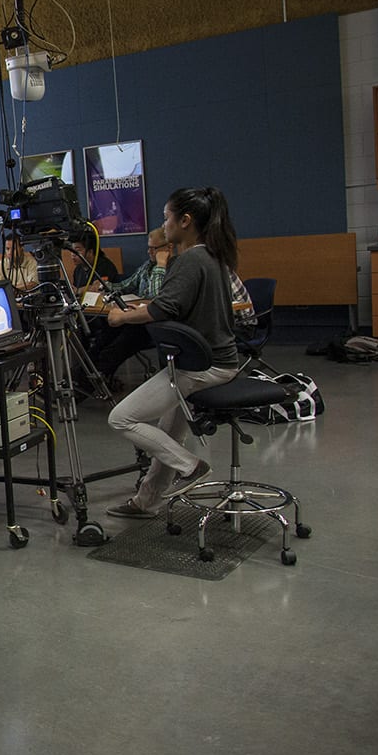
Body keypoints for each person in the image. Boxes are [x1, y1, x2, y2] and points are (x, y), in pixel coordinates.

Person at [105, 187, 241, 519]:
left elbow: (163, 309)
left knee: (121, 418)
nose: (164, 224)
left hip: (200, 367)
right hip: (217, 362)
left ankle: (191, 466)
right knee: (166, 436)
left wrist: (121, 317)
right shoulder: (212, 255)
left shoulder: (191, 259)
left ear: (185, 220)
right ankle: (145, 502)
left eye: (167, 217)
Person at [87, 228, 171, 381]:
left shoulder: (172, 267)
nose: (149, 252)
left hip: (151, 324)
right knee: (102, 340)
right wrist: (105, 286)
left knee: (114, 349)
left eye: (154, 248)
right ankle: (81, 377)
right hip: (135, 317)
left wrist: (161, 265)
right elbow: (126, 285)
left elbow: (156, 297)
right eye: (149, 248)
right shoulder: (147, 266)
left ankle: (95, 380)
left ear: (168, 248)